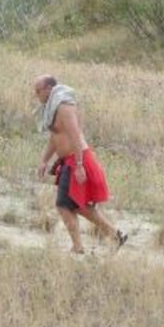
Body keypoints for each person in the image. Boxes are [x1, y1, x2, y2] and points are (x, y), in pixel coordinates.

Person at [34, 75, 127, 254]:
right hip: (69, 161)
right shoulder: (53, 107)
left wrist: (78, 165)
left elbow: (75, 135)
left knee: (65, 204)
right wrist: (45, 160)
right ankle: (114, 236)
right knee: (77, 205)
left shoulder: (64, 106)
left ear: (48, 88)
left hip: (77, 160)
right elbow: (56, 137)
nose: (36, 95)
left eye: (38, 91)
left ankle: (81, 246)